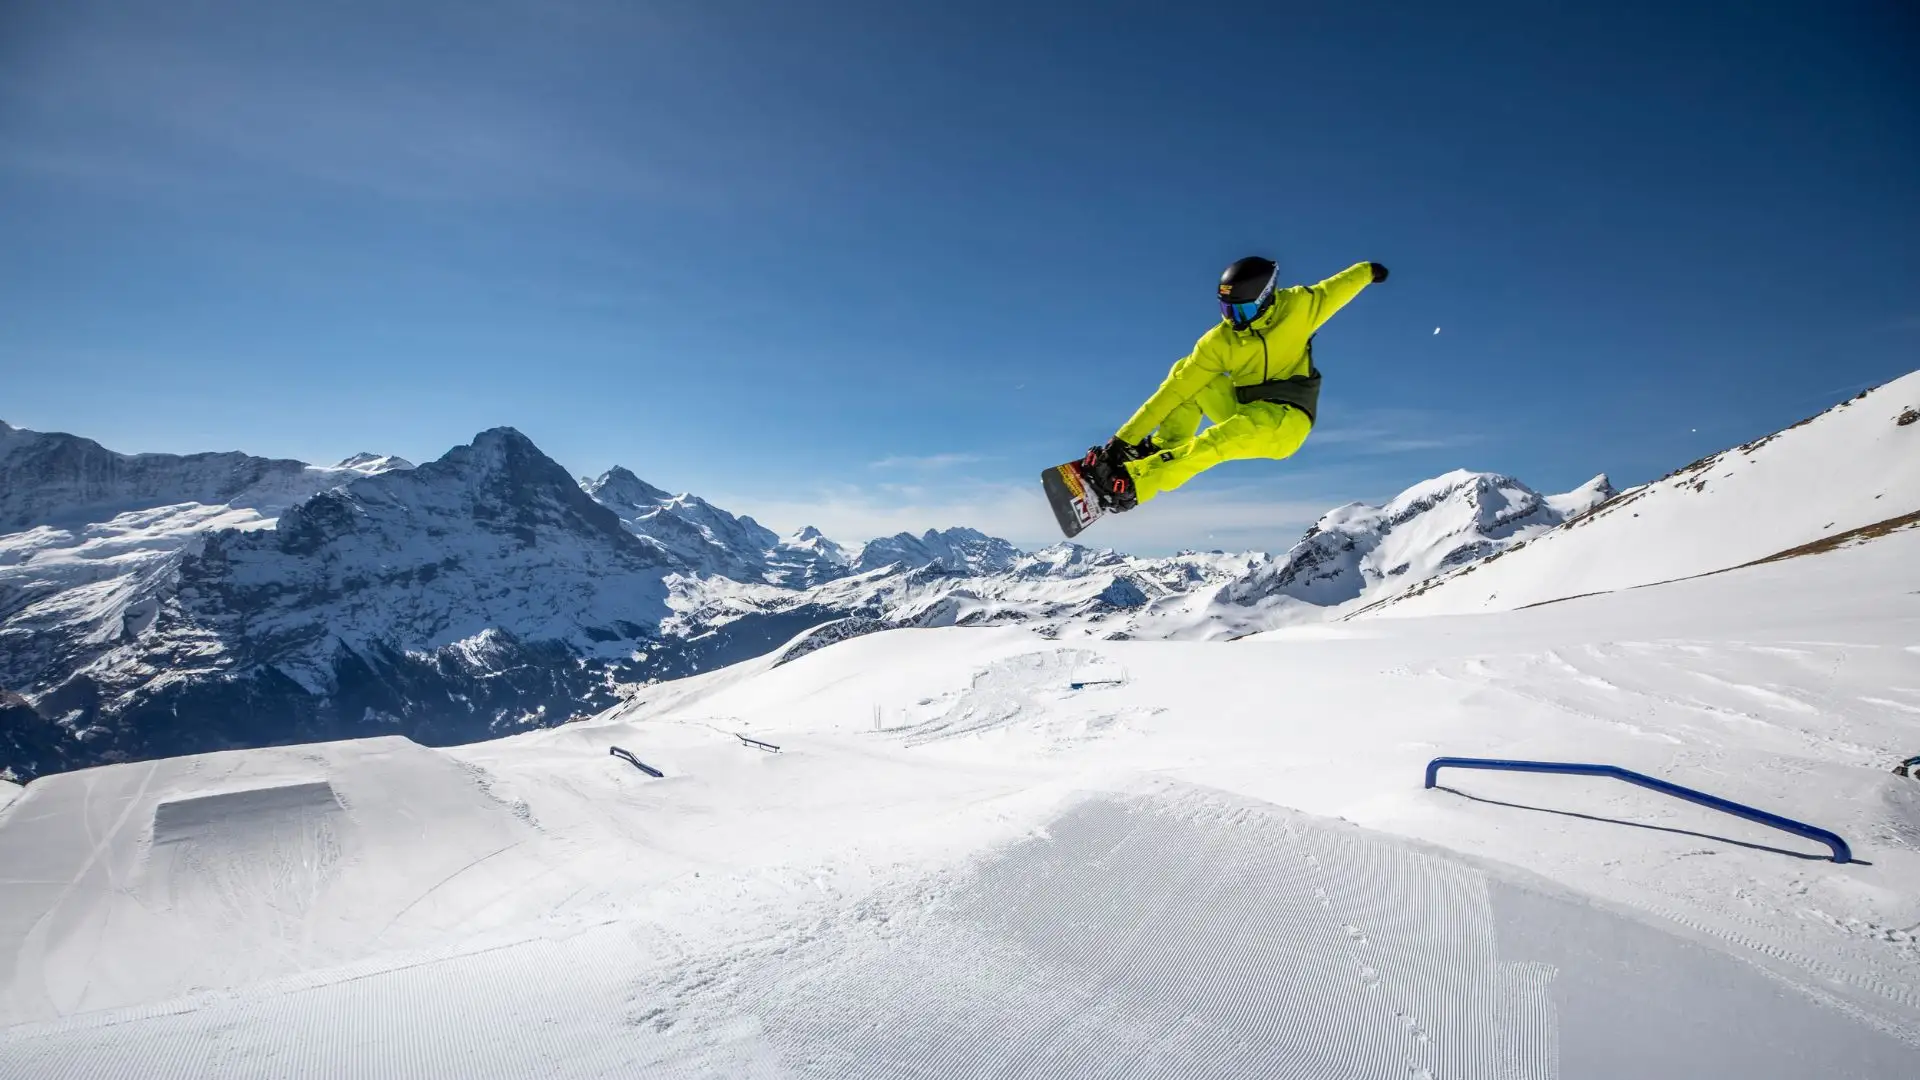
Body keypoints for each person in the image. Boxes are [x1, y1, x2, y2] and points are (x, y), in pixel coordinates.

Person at [1080, 255, 1388, 512]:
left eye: (1243, 310)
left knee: (1217, 441)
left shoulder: (1299, 307)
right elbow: (1175, 390)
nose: (1234, 320)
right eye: (1227, 310)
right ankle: (1157, 450)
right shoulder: (1220, 341)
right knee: (1186, 376)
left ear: (1267, 297)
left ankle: (1133, 486)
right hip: (1246, 406)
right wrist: (1122, 441)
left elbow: (1339, 287)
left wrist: (1368, 272)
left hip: (1286, 421)